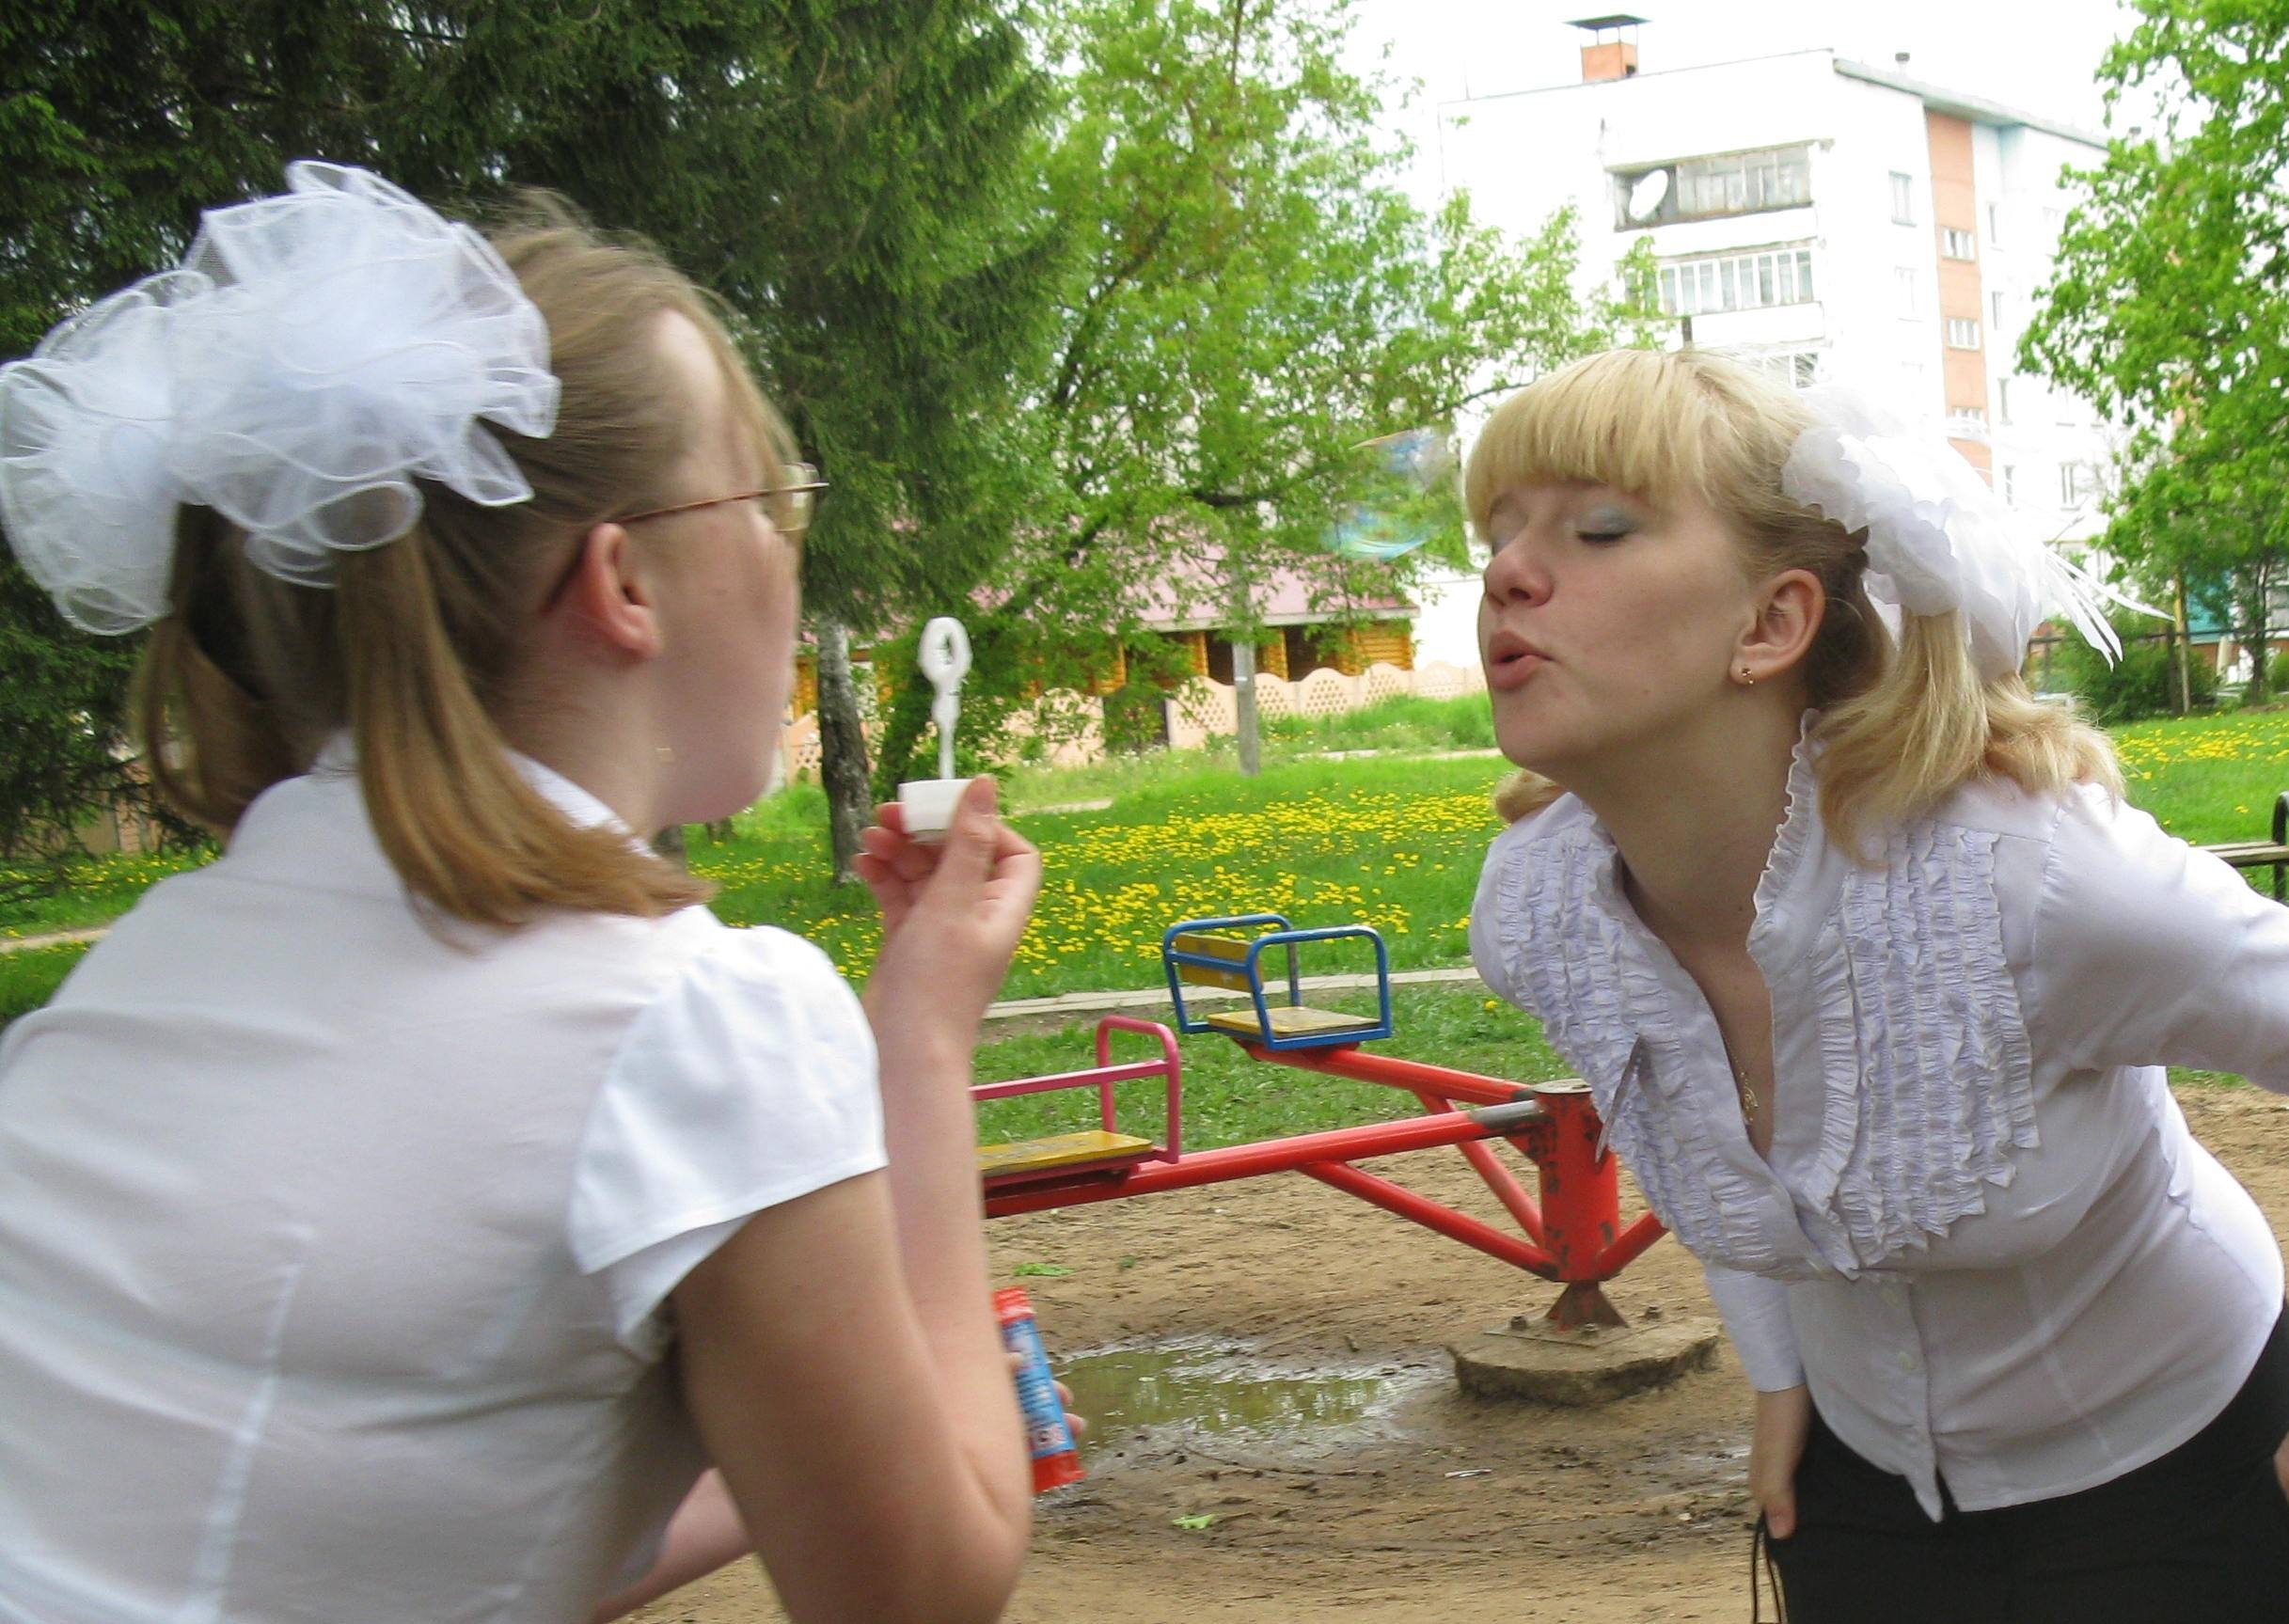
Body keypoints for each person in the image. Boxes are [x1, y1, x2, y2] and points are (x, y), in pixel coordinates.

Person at [0, 163, 1044, 1624]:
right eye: (769, 499)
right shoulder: (693, 1020)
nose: (792, 551)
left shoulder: (146, 969)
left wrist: (791, 1460)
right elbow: (921, 1595)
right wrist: (918, 1043)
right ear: (625, 584)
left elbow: (396, 1514)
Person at [1463, 348, 2289, 1622]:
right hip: (1851, 1486)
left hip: (2191, 1458)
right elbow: (1708, 1133)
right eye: (1497, 533)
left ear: (1771, 623)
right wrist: (1779, 1372)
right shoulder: (1539, 914)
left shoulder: (2029, 881)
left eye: (1600, 528)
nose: (1507, 574)